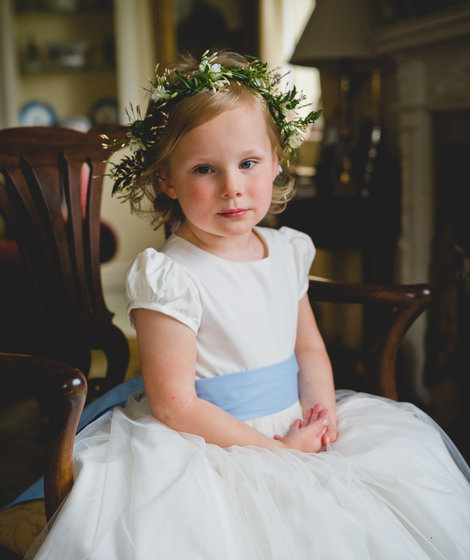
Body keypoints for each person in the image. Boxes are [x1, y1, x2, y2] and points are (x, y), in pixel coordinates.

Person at [25, 51, 469, 559]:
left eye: (249, 163)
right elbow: (175, 404)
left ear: (277, 161)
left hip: (295, 422)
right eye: (204, 169)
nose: (232, 186)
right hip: (205, 442)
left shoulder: (287, 250)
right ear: (168, 180)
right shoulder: (169, 274)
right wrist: (279, 454)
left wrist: (322, 418)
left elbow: (308, 349)